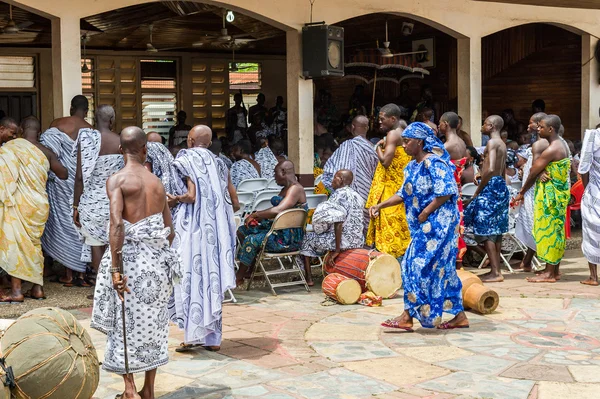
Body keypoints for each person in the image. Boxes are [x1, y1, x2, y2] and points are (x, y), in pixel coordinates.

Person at [91, 127, 178, 399]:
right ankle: (148, 389)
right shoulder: (157, 183)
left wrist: (116, 269)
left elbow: (117, 224)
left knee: (124, 322)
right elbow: (169, 230)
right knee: (155, 323)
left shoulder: (117, 180)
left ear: (120, 150)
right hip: (156, 260)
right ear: (145, 150)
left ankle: (129, 390)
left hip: (128, 259)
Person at [369, 122, 468, 330]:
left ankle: (407, 316)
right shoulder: (411, 166)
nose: (403, 145)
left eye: (407, 141)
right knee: (443, 269)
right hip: (424, 226)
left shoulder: (434, 163)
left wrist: (425, 212)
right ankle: (459, 316)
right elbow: (403, 194)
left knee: (414, 266)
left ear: (420, 142)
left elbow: (446, 191)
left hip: (440, 226)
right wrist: (380, 205)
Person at [168, 125, 237, 352]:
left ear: (190, 140)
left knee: (192, 278)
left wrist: (174, 200)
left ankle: (193, 336)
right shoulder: (220, 163)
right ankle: (213, 339)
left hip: (193, 229)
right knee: (212, 278)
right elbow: (232, 200)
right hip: (216, 231)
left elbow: (191, 195)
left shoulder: (186, 158)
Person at [41, 95, 92, 285]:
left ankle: (68, 272)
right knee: (78, 225)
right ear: (86, 111)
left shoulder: (57, 124)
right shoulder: (92, 131)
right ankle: (79, 272)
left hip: (59, 184)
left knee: (61, 224)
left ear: (71, 108)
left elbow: (46, 154)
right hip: (80, 187)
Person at [0, 117, 53, 302]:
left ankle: (16, 292)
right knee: (35, 246)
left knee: (18, 245)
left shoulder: (11, 149)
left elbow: (8, 180)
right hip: (40, 204)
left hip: (21, 203)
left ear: (21, 129)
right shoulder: (45, 151)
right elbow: (64, 173)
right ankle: (37, 289)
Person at [514, 114, 570, 283]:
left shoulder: (552, 148)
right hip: (558, 193)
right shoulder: (562, 144)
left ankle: (550, 273)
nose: (539, 129)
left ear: (551, 129)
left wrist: (522, 192)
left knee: (549, 231)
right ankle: (553, 270)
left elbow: (533, 171)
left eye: (542, 127)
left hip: (550, 196)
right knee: (556, 231)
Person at [73, 105, 124, 282]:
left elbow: (79, 177)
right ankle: (114, 284)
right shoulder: (120, 141)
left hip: (91, 203)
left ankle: (99, 287)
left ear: (95, 119)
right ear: (112, 120)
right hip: (114, 202)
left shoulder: (87, 140)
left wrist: (75, 206)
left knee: (96, 245)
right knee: (115, 245)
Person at [236, 161, 307, 285]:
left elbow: (279, 210)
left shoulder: (295, 189)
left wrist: (255, 215)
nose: (274, 176)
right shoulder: (286, 189)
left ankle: (238, 278)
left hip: (287, 239)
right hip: (277, 229)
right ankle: (252, 266)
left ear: (283, 172)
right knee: (242, 230)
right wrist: (260, 218)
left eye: (275, 173)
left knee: (251, 241)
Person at [464, 115, 509, 282]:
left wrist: (478, 190)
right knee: (496, 230)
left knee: (486, 230)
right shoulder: (502, 144)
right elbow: (501, 170)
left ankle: (495, 272)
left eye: (484, 124)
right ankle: (495, 269)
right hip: (500, 185)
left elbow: (489, 169)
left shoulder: (491, 143)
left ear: (491, 126)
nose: (481, 126)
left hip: (490, 185)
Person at [299, 170, 365, 286]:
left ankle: (308, 279)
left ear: (340, 180)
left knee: (307, 239)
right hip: (358, 241)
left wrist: (337, 250)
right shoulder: (357, 195)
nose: (332, 181)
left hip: (343, 242)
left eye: (334, 178)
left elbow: (338, 222)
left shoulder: (338, 196)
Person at [365, 104, 412, 259]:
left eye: (382, 119)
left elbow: (385, 162)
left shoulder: (392, 135)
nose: (380, 122)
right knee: (401, 223)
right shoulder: (405, 127)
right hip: (402, 184)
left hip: (390, 187)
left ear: (393, 119)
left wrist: (378, 147)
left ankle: (389, 261)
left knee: (388, 225)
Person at [321, 115, 378, 232]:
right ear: (367, 128)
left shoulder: (346, 146)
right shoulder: (374, 148)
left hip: (347, 195)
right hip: (368, 192)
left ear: (352, 127)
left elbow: (330, 171)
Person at [514, 113, 549, 272]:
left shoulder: (541, 144)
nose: (528, 127)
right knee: (533, 224)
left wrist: (522, 190)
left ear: (539, 124)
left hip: (532, 189)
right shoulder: (542, 142)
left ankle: (532, 261)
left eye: (531, 124)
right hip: (532, 186)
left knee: (533, 224)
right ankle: (527, 261)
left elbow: (535, 169)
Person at [439, 112, 468, 267]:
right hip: (457, 189)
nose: (438, 126)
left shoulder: (446, 146)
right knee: (457, 223)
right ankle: (458, 261)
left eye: (440, 123)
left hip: (448, 191)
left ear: (446, 123)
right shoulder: (462, 143)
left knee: (448, 224)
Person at [578, 128, 600, 286]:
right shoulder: (594, 135)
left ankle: (593, 277)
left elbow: (583, 167)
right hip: (594, 191)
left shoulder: (593, 136)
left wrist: (587, 191)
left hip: (594, 193)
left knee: (591, 232)